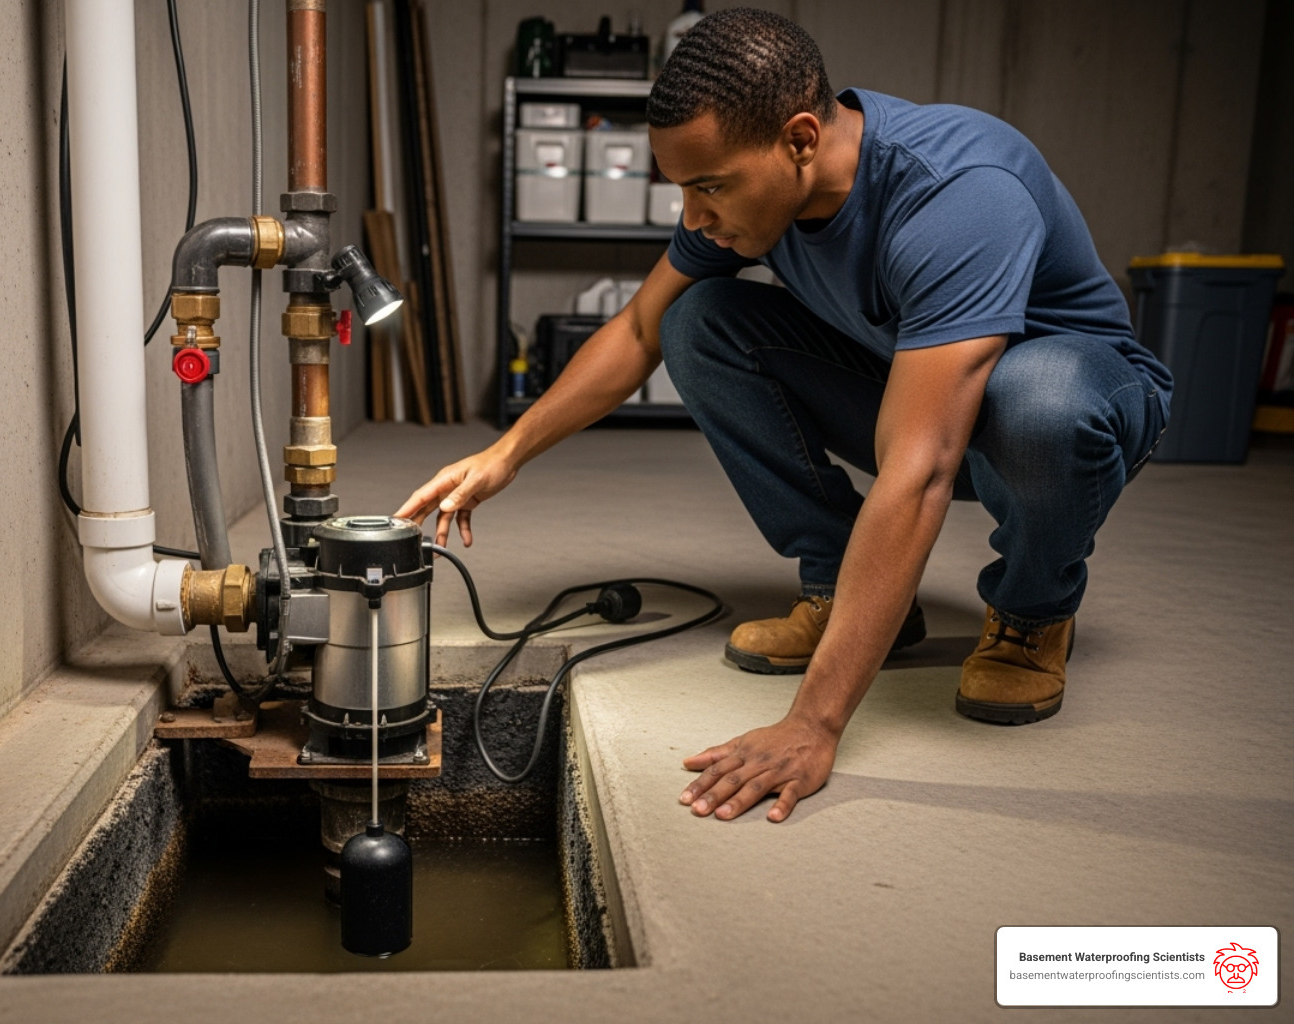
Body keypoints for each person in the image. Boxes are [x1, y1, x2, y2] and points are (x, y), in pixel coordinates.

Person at [396, 9, 1170, 825]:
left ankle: (1032, 612)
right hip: (920, 388)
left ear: (801, 139)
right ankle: (847, 590)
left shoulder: (956, 197)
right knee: (696, 321)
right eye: (682, 189)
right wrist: (507, 452)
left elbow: (921, 470)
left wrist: (814, 723)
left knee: (1036, 403)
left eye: (709, 186)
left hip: (1071, 405)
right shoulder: (756, 191)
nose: (693, 217)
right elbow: (635, 329)